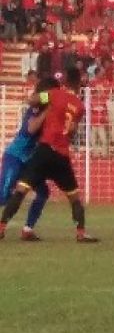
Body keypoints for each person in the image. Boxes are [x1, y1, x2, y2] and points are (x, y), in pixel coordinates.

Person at [0, 68, 98, 243]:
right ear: (79, 83)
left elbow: (32, 100)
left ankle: (2, 227)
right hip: (61, 155)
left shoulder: (53, 95)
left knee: (21, 190)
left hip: (44, 151)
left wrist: (43, 102)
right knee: (74, 197)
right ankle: (81, 232)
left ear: (64, 81)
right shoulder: (80, 106)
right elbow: (72, 131)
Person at [0, 88, 54, 241]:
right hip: (15, 156)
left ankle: (28, 229)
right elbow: (31, 129)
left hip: (30, 160)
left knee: (43, 192)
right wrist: (47, 110)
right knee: (3, 196)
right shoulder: (38, 107)